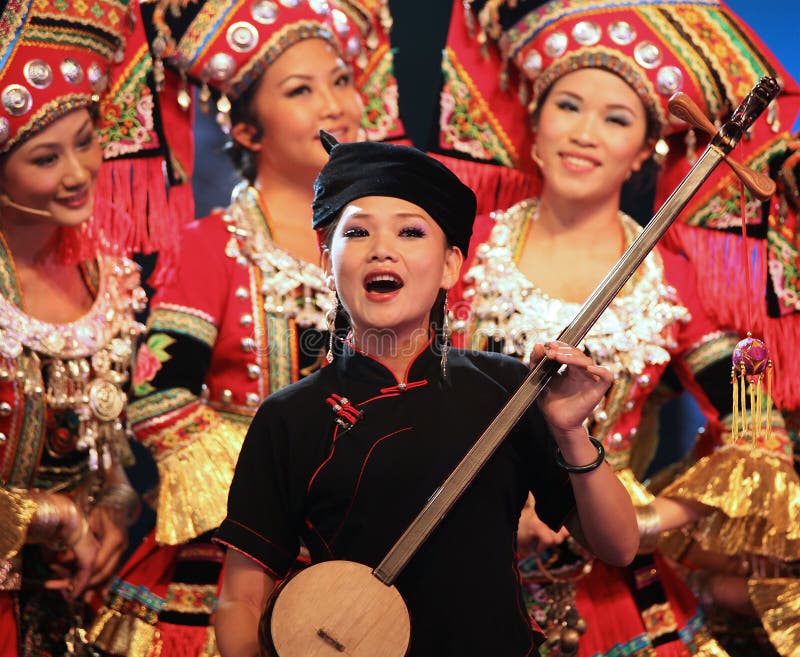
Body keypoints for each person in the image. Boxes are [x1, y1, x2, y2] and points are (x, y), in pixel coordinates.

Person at [446, 1, 799, 656]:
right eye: (568, 105)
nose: (585, 132)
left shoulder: (673, 281)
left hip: (616, 593)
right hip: (455, 559)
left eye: (616, 118)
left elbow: (757, 434)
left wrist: (648, 521)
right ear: (534, 121)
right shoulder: (457, 251)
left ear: (646, 150)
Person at [212, 132, 638, 657]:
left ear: (451, 266)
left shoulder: (509, 389)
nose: (382, 249)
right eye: (358, 232)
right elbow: (240, 602)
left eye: (411, 232)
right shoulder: (289, 417)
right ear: (327, 261)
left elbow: (618, 546)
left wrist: (571, 432)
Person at [87, 2, 405, 655]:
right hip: (238, 553)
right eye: (300, 90)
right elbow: (158, 393)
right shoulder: (214, 247)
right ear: (249, 131)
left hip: (375, 545)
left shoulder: (395, 243)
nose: (335, 104)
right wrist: (273, 482)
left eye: (341, 80)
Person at [0, 0, 176, 653]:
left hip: (77, 601)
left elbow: (109, 442)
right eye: (46, 158)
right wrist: (48, 518)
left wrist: (111, 510)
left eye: (86, 140)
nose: (79, 173)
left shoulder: (110, 274)